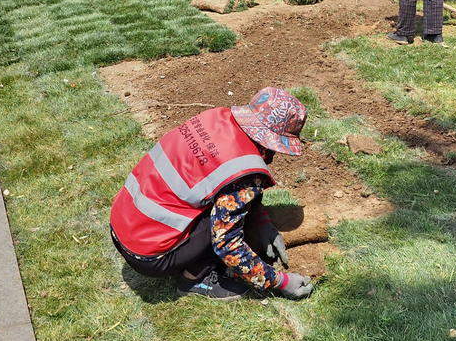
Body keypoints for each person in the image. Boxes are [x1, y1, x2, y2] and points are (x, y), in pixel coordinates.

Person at [109, 87, 315, 301]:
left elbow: (229, 188)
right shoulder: (244, 173)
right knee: (226, 226)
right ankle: (195, 279)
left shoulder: (215, 119)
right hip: (149, 255)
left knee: (232, 203)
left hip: (123, 224)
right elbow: (226, 243)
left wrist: (262, 223)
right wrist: (281, 282)